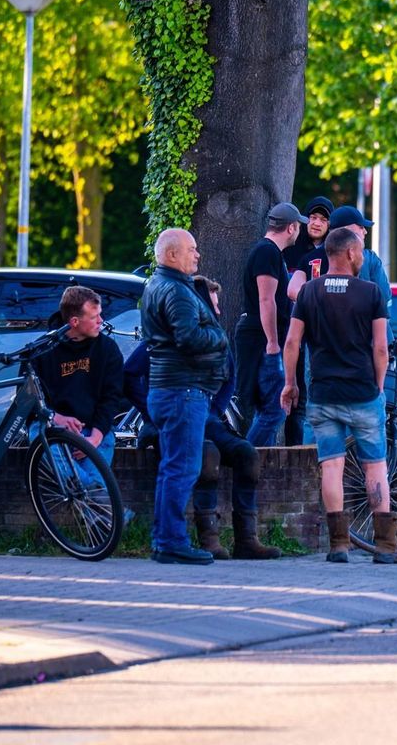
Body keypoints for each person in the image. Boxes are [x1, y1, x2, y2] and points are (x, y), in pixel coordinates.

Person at [123, 276, 281, 560]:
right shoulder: (169, 337)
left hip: (206, 417)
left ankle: (247, 540)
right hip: (173, 417)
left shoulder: (214, 337)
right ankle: (208, 540)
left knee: (247, 455)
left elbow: (230, 377)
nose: (218, 311)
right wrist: (150, 411)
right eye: (214, 305)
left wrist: (215, 410)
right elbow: (130, 374)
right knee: (206, 457)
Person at [280, 228, 397, 564]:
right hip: (362, 392)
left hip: (323, 394)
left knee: (332, 466)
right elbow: (381, 347)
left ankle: (338, 545)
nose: (363, 256)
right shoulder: (370, 292)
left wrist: (290, 383)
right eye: (361, 250)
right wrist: (377, 384)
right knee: (374, 466)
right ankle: (386, 546)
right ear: (350, 253)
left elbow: (292, 342)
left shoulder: (309, 292)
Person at [142, 228, 230, 565]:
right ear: (172, 255)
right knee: (182, 469)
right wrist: (219, 336)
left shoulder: (157, 285)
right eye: (191, 249)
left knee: (172, 468)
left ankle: (164, 539)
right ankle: (171, 542)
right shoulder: (177, 291)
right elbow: (189, 338)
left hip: (169, 389)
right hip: (183, 390)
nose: (197, 254)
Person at [31, 286, 127, 499]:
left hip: (94, 428)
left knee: (103, 447)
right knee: (39, 437)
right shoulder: (41, 350)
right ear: (74, 322)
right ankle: (101, 503)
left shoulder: (108, 349)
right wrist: (56, 417)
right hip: (52, 427)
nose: (101, 321)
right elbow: (28, 400)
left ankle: (96, 505)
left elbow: (112, 398)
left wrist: (95, 438)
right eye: (94, 317)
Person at [235, 203, 309, 447]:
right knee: (274, 410)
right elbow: (266, 299)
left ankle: (256, 461)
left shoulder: (268, 252)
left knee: (267, 408)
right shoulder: (267, 252)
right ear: (291, 228)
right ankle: (246, 458)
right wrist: (273, 343)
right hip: (262, 340)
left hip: (260, 337)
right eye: (299, 226)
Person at [282, 197, 333, 446]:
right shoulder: (294, 251)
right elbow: (289, 289)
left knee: (309, 395)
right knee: (294, 392)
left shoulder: (334, 254)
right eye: (313, 218)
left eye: (323, 219)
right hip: (293, 327)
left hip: (319, 333)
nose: (316, 223)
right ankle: (295, 448)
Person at [286, 205, 392, 308]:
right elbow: (384, 297)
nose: (365, 231)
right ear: (347, 230)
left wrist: (320, 305)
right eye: (361, 227)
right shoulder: (369, 258)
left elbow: (292, 291)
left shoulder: (309, 258)